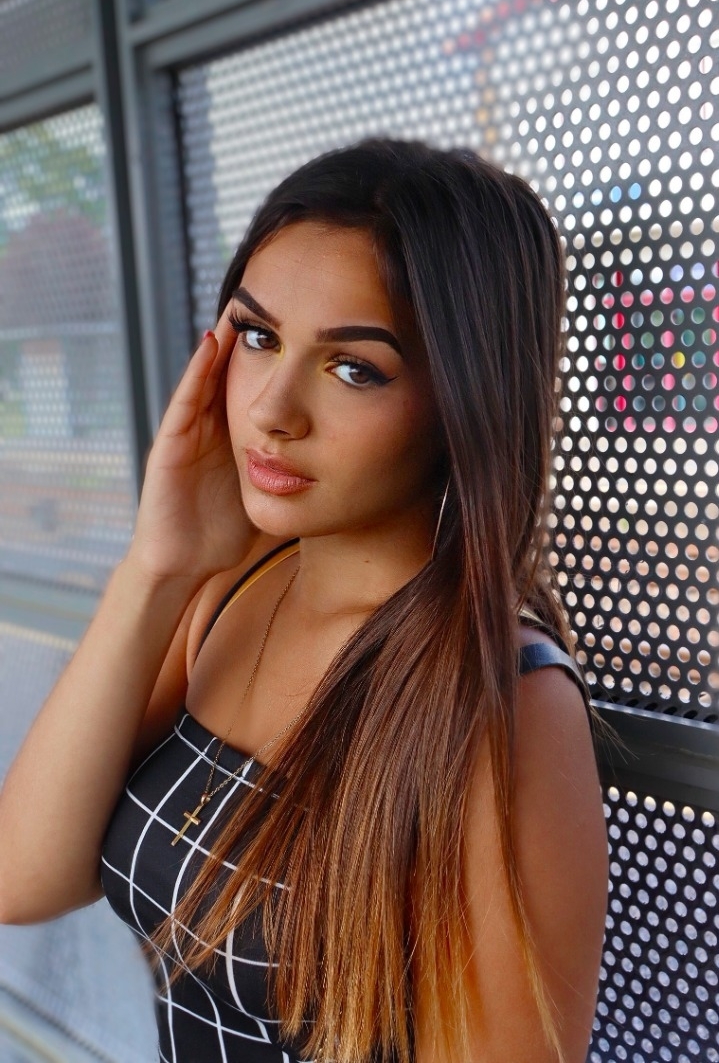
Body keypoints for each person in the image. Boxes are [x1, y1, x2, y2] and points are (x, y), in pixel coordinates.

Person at [0, 137, 609, 1063]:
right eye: (257, 337)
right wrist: (157, 567)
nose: (272, 410)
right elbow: (22, 879)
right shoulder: (225, 593)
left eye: (354, 367)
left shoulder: (503, 704)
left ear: (465, 399)